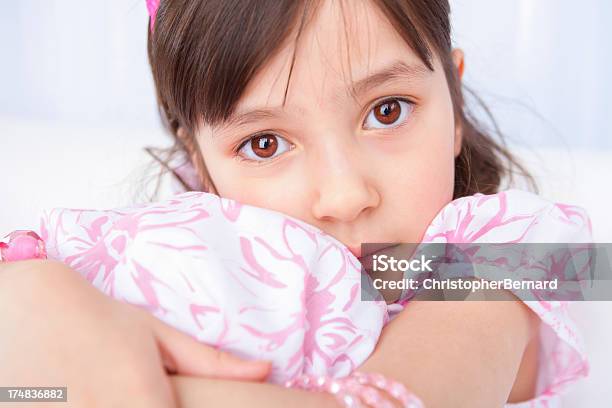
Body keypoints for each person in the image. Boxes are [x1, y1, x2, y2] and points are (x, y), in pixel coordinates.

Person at [0, 0, 591, 406]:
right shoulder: (179, 250)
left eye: (388, 110)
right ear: (201, 164)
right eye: (264, 144)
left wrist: (85, 383)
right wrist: (34, 300)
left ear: (454, 103)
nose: (344, 195)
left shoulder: (511, 250)